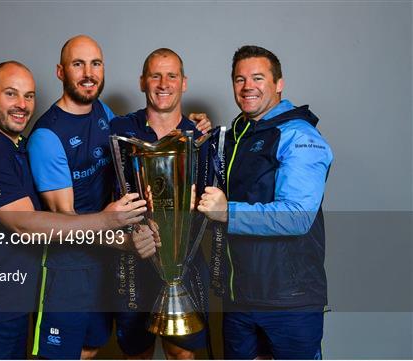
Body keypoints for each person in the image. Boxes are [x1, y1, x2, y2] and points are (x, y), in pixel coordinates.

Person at [0, 60, 150, 360]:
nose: (22, 105)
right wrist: (108, 220)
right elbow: (26, 225)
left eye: (29, 96)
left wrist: (191, 128)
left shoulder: (19, 147)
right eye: (11, 94)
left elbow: (57, 225)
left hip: (15, 306)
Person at [27, 36, 210, 359]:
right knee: (87, 351)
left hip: (145, 264)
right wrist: (124, 240)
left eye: (95, 63)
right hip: (75, 266)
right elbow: (63, 219)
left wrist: (192, 124)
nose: (88, 73)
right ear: (60, 71)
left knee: (99, 345)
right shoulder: (49, 136)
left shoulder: (106, 115)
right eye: (77, 64)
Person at [198, 45, 333, 359]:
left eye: (258, 78)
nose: (248, 87)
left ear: (279, 83)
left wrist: (225, 212)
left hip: (289, 302)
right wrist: (196, 130)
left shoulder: (299, 136)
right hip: (240, 298)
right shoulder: (239, 134)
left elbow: (297, 215)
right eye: (239, 79)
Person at [109, 48, 210, 360]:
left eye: (172, 76)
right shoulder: (118, 129)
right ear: (142, 81)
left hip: (185, 263)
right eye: (155, 75)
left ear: (184, 83)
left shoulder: (200, 136)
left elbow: (214, 201)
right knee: (136, 354)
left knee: (182, 353)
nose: (163, 83)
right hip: (134, 260)